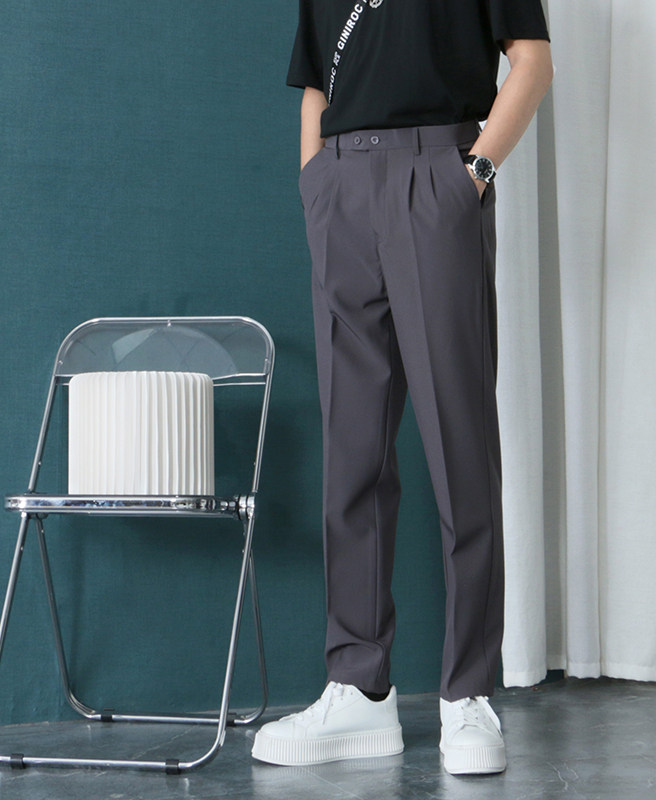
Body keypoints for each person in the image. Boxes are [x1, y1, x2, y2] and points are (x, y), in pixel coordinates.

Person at [252, 0, 553, 776]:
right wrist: (317, 182)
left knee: (460, 446)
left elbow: (531, 61)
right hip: (342, 187)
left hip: (438, 175)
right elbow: (316, 85)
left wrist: (473, 174)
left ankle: (468, 692)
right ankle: (358, 686)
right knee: (352, 451)